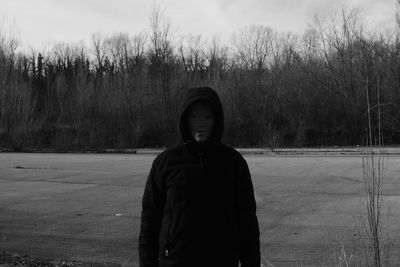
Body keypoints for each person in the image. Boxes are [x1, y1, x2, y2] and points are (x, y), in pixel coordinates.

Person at [138, 87, 260, 267]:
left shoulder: (233, 162)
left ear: (216, 121)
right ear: (185, 120)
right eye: (194, 117)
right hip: (175, 261)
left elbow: (247, 220)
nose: (200, 123)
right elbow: (150, 219)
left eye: (207, 117)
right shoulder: (165, 163)